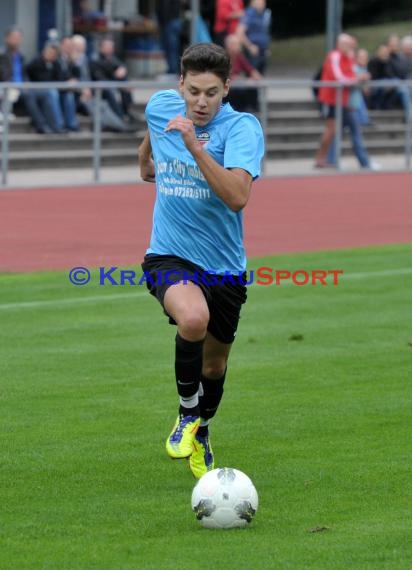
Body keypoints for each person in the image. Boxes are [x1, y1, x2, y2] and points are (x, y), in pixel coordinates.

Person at [137, 42, 264, 479]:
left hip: (224, 268)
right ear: (180, 85)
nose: (201, 102)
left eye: (211, 92)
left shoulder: (242, 128)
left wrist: (195, 148)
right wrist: (145, 162)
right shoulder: (162, 106)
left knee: (215, 365)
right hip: (168, 253)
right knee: (193, 319)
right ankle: (187, 413)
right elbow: (154, 131)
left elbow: (237, 196)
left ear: (226, 87)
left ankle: (202, 427)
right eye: (193, 91)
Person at [314, 33, 371, 169]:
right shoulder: (335, 56)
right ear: (340, 44)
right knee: (331, 129)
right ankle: (322, 159)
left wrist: (356, 77)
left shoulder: (347, 57)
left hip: (342, 100)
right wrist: (356, 79)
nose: (350, 47)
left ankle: (327, 159)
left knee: (334, 130)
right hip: (331, 98)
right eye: (347, 45)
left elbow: (350, 73)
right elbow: (338, 76)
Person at [90, 37, 135, 123]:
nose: (110, 49)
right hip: (100, 88)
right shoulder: (95, 59)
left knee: (125, 84)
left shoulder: (112, 57)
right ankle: (120, 116)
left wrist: (123, 69)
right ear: (101, 47)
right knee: (111, 90)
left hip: (112, 84)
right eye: (108, 47)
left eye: (111, 47)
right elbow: (100, 77)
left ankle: (127, 112)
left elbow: (121, 65)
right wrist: (115, 77)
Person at [25, 41, 67, 133]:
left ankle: (60, 125)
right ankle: (57, 125)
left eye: (53, 54)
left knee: (61, 95)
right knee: (51, 93)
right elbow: (27, 74)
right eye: (49, 52)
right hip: (36, 90)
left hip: (51, 91)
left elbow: (60, 80)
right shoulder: (35, 62)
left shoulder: (56, 64)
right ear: (44, 51)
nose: (50, 55)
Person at [224, 33, 262, 112]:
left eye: (237, 44)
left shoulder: (239, 57)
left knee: (251, 88)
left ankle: (254, 110)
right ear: (227, 46)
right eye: (233, 44)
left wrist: (252, 78)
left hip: (236, 87)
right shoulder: (222, 57)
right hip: (226, 89)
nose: (236, 47)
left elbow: (252, 71)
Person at [236, 0, 271, 74]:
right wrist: (250, 46)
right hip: (253, 50)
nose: (260, 5)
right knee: (253, 76)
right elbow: (240, 32)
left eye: (262, 3)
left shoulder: (264, 14)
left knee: (261, 75)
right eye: (258, 3)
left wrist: (267, 48)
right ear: (252, 3)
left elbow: (265, 32)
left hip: (262, 50)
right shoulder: (249, 14)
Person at [155, 0, 182, 75]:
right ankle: (172, 68)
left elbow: (166, 9)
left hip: (171, 22)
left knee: (172, 47)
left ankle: (173, 69)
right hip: (169, 22)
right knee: (170, 47)